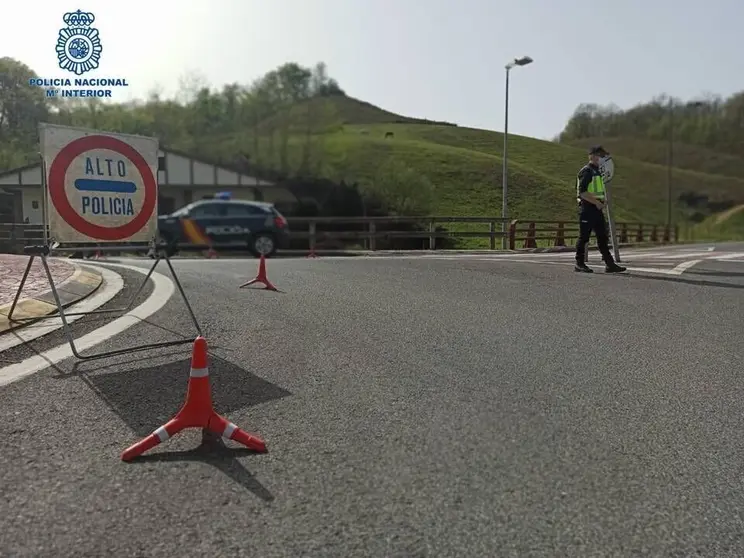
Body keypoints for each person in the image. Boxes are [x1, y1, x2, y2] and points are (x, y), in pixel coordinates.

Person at [574, 146, 626, 273]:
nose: (601, 158)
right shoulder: (587, 171)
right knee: (584, 237)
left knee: (602, 237)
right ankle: (579, 264)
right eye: (599, 155)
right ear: (592, 156)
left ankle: (610, 264)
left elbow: (595, 191)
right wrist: (597, 202)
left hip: (597, 209)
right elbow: (582, 192)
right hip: (587, 208)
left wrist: (602, 201)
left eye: (602, 156)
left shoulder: (598, 172)